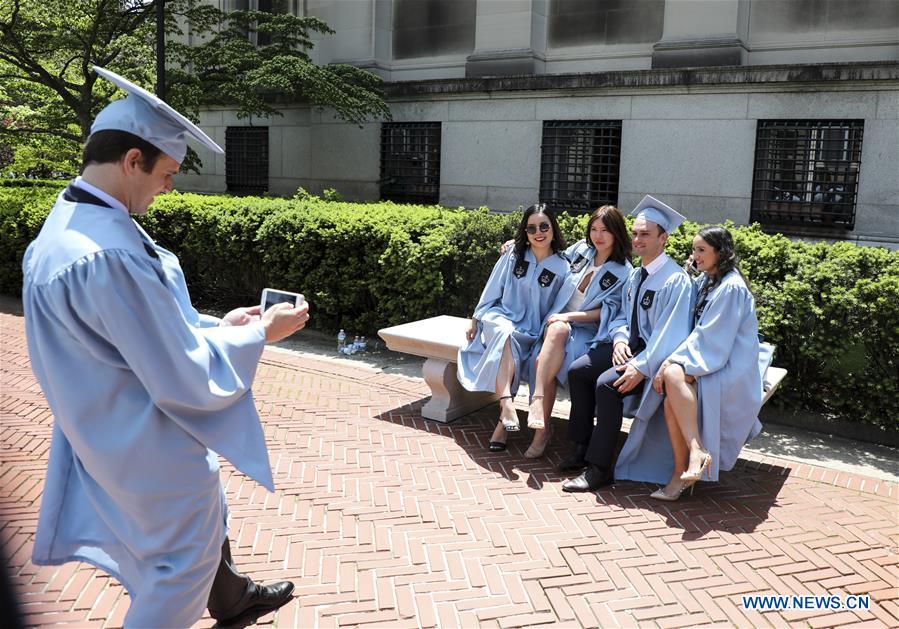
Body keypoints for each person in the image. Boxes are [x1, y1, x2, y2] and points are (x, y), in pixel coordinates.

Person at [22, 67, 306, 627]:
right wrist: (260, 334)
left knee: (191, 547)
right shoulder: (110, 253)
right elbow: (181, 373)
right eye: (167, 172)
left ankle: (230, 596)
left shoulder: (67, 229)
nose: (169, 186)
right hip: (146, 444)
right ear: (132, 161)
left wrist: (219, 326)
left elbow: (131, 336)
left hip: (101, 430)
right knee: (176, 576)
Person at [562, 196, 694, 492]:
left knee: (607, 386)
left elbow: (672, 335)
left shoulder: (676, 280)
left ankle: (599, 468)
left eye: (645, 234)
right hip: (629, 347)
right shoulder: (636, 275)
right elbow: (619, 314)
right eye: (635, 233)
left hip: (653, 357)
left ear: (664, 237)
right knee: (578, 371)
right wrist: (620, 338)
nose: (637, 239)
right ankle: (580, 448)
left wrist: (641, 366)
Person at [648, 226, 763, 500]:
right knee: (671, 395)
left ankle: (690, 461)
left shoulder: (732, 288)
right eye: (694, 250)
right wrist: (686, 274)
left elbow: (711, 339)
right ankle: (691, 459)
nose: (695, 255)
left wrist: (670, 361)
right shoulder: (709, 280)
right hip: (711, 358)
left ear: (719, 253)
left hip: (730, 365)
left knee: (673, 374)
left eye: (701, 250)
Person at [522, 205, 632, 459]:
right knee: (549, 345)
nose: (598, 236)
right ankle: (541, 422)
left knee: (543, 359)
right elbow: (549, 253)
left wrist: (567, 316)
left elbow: (606, 312)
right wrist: (515, 245)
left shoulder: (623, 271)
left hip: (585, 330)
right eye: (594, 229)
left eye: (605, 230)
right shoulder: (582, 251)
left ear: (617, 233)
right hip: (556, 323)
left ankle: (540, 422)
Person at [458, 204, 569, 453]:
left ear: (553, 228)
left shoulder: (563, 267)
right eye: (531, 228)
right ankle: (507, 404)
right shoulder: (513, 255)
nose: (538, 233)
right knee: (504, 332)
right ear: (524, 231)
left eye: (543, 226)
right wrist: (476, 318)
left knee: (512, 342)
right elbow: (492, 287)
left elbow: (558, 307)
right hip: (500, 318)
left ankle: (502, 420)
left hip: (531, 329)